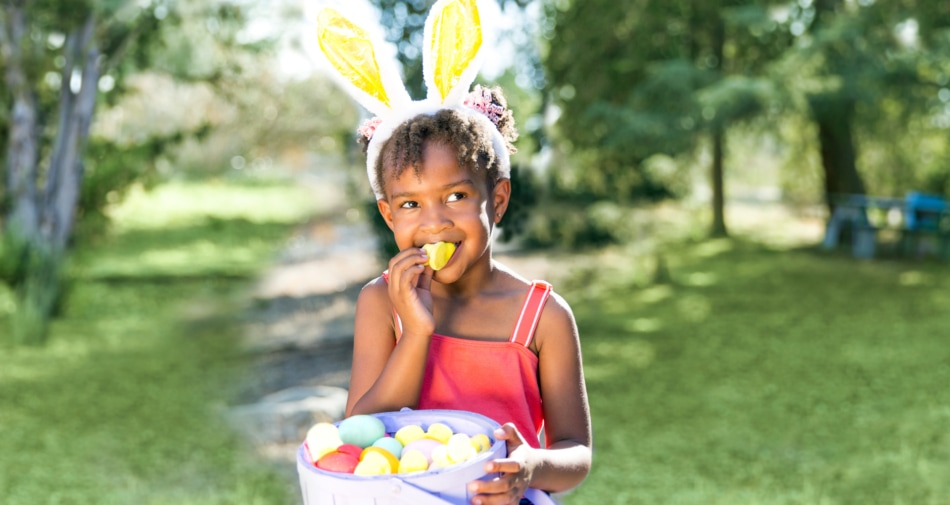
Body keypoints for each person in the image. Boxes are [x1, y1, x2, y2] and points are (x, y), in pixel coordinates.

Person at [315, 2, 591, 504]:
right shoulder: (381, 303)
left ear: (498, 200)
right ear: (388, 215)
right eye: (410, 204)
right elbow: (358, 431)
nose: (434, 221)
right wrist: (415, 331)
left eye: (456, 197)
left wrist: (530, 466)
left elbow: (576, 454)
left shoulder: (543, 317)